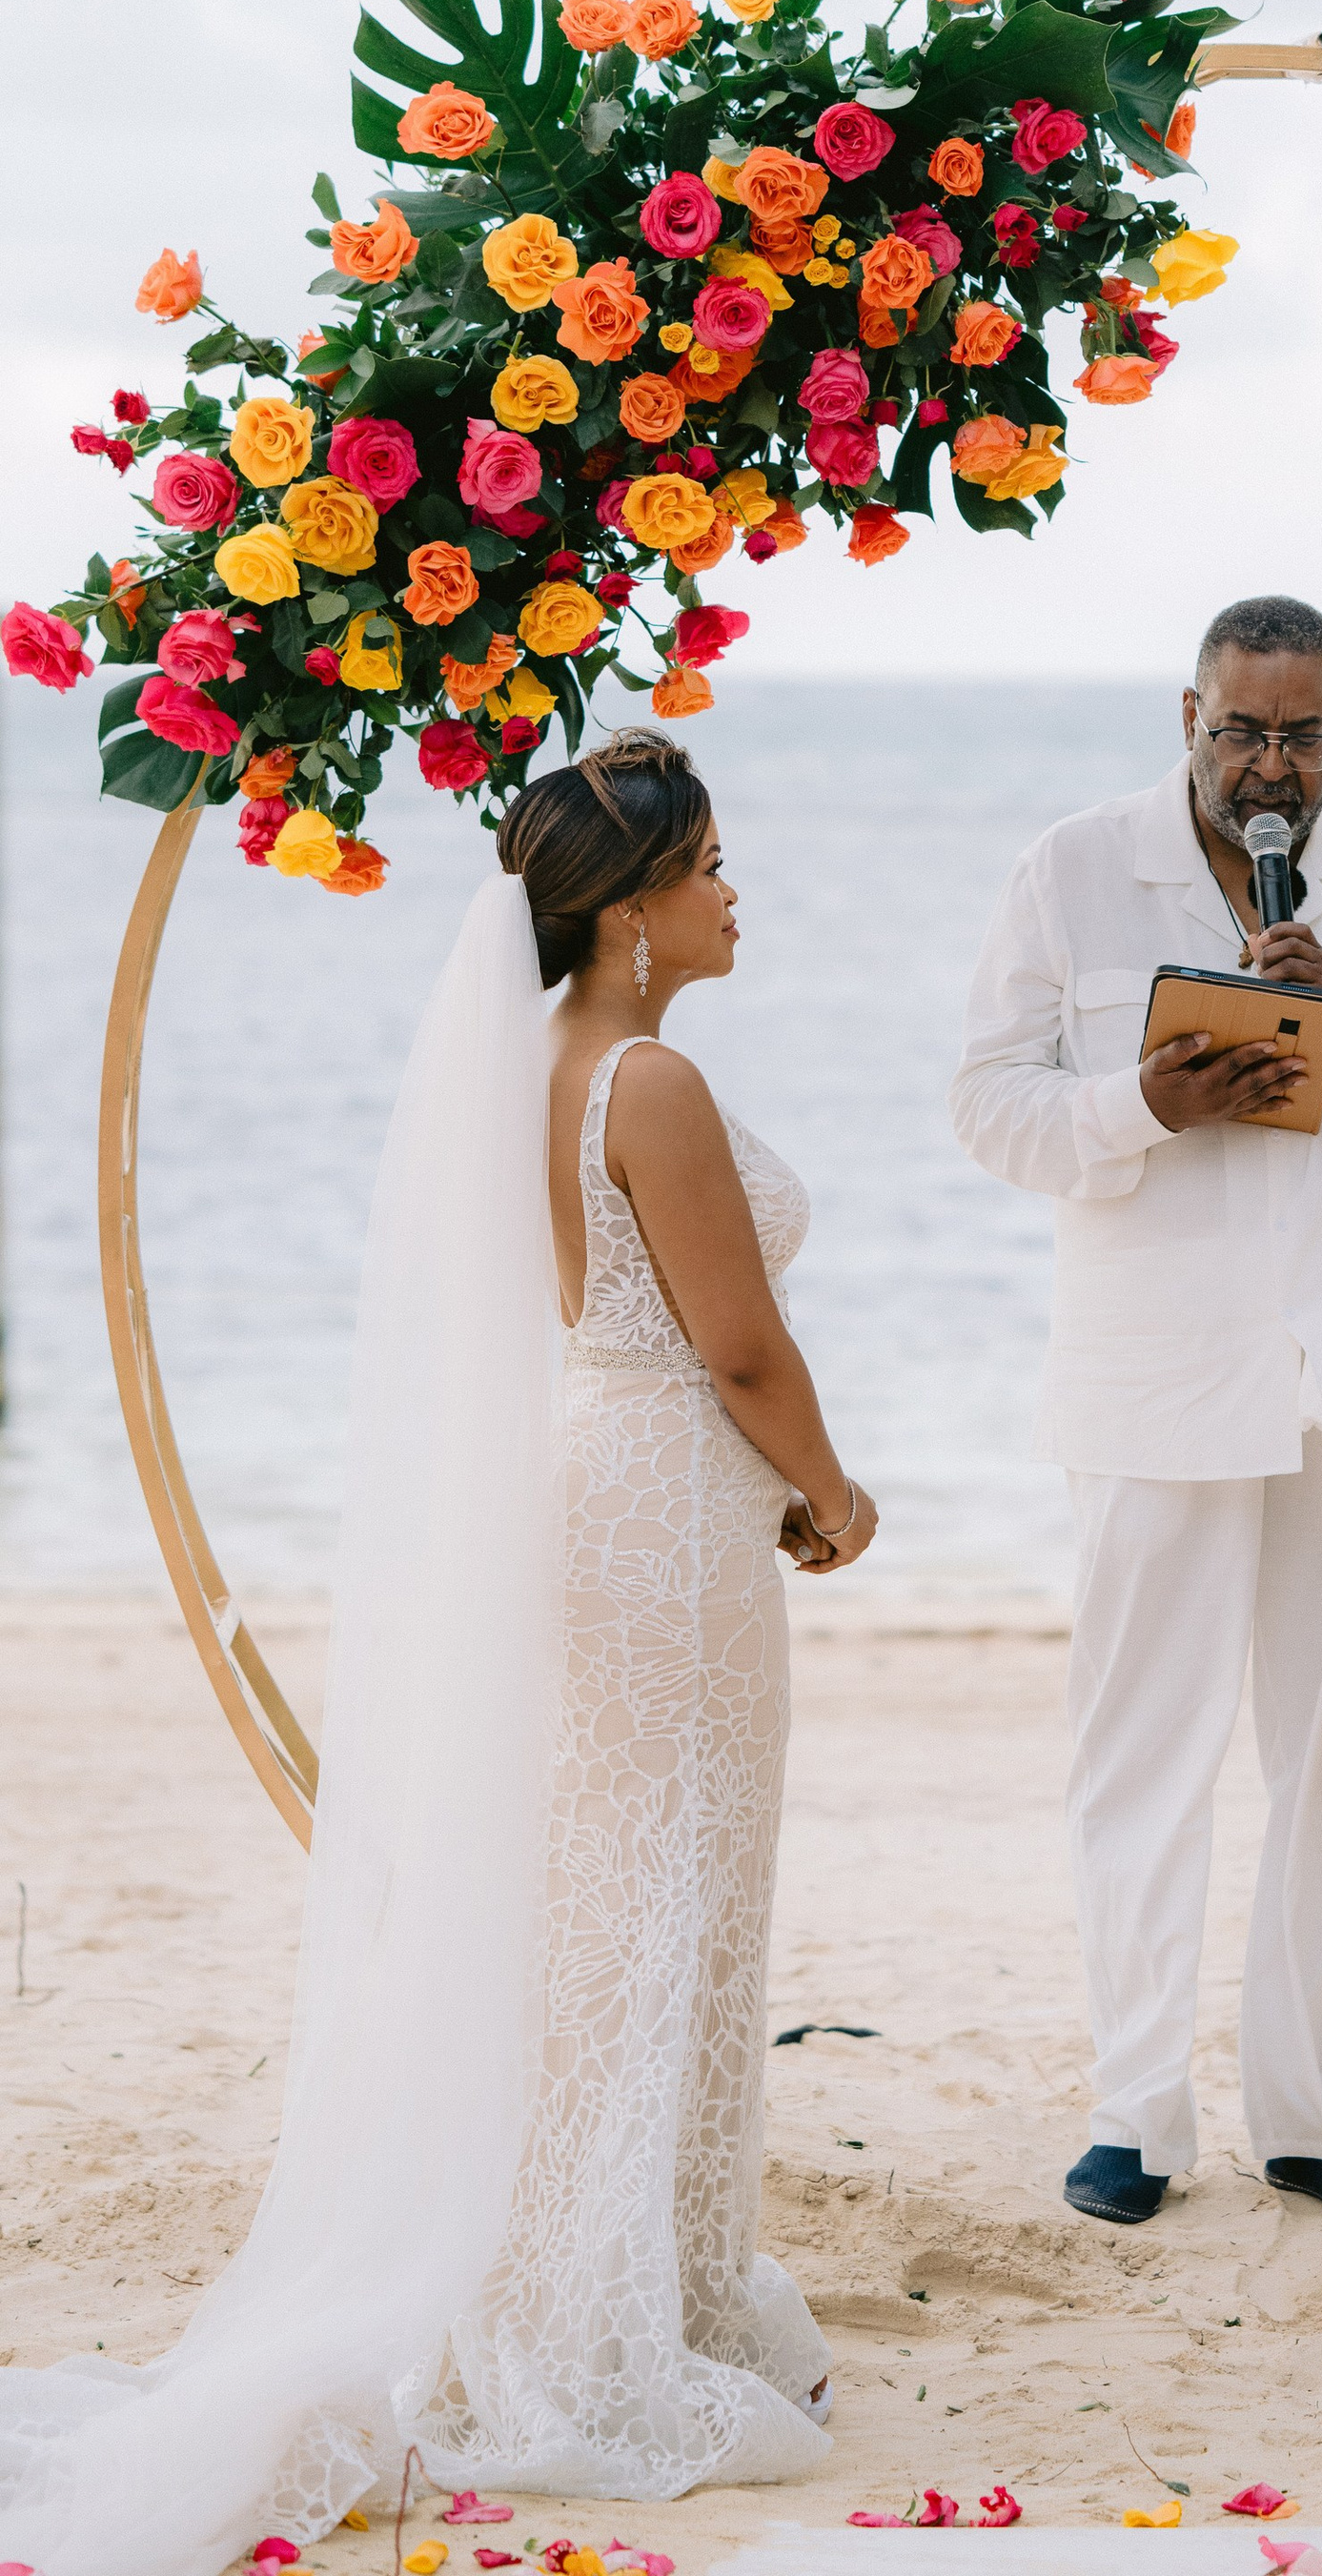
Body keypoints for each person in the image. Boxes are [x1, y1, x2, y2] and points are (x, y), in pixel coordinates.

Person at [0, 731, 872, 2576]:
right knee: (665, 1895)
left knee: (618, 1891)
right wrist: (835, 1488)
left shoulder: (528, 1065)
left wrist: (761, 1479)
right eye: (708, 862)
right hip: (666, 1501)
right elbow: (736, 1347)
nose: (735, 889)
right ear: (630, 910)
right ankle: (606, 2311)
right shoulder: (648, 1080)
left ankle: (620, 2268)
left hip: (606, 1481)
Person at [951, 595, 1322, 2230]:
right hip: (1152, 1378)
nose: (1270, 764)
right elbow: (985, 1103)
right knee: (1139, 1753)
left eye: (1302, 733)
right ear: (1191, 716)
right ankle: (1135, 2112)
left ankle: (1307, 2109)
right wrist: (1132, 1104)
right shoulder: (1071, 869)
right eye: (1242, 730)